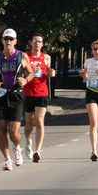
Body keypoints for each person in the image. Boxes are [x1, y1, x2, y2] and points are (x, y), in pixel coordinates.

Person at [0, 28, 32, 171]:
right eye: (6, 39)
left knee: (13, 131)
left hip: (16, 95)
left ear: (16, 41)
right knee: (0, 128)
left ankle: (17, 147)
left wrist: (25, 80)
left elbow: (30, 73)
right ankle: (7, 159)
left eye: (11, 39)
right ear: (2, 41)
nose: (8, 42)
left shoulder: (22, 56)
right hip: (0, 94)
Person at [23, 34, 55, 163]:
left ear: (42, 45)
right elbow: (22, 72)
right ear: (31, 43)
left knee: (39, 120)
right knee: (29, 123)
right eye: (35, 41)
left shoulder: (46, 57)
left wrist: (51, 73)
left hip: (42, 92)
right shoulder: (25, 56)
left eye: (39, 42)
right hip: (28, 92)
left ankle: (38, 150)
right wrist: (29, 72)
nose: (37, 43)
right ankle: (29, 142)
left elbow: (48, 72)